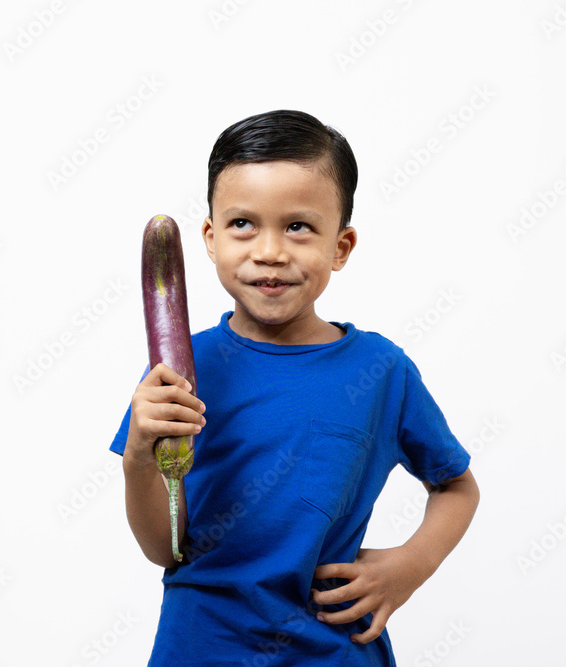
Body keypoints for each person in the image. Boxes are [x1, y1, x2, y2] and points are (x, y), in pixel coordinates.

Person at [108, 109, 480, 665]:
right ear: (210, 239)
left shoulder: (380, 371)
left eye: (298, 226)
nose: (270, 251)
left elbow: (457, 487)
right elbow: (164, 548)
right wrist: (139, 455)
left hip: (334, 649)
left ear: (341, 246)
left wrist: (409, 565)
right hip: (200, 646)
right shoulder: (181, 368)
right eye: (243, 225)